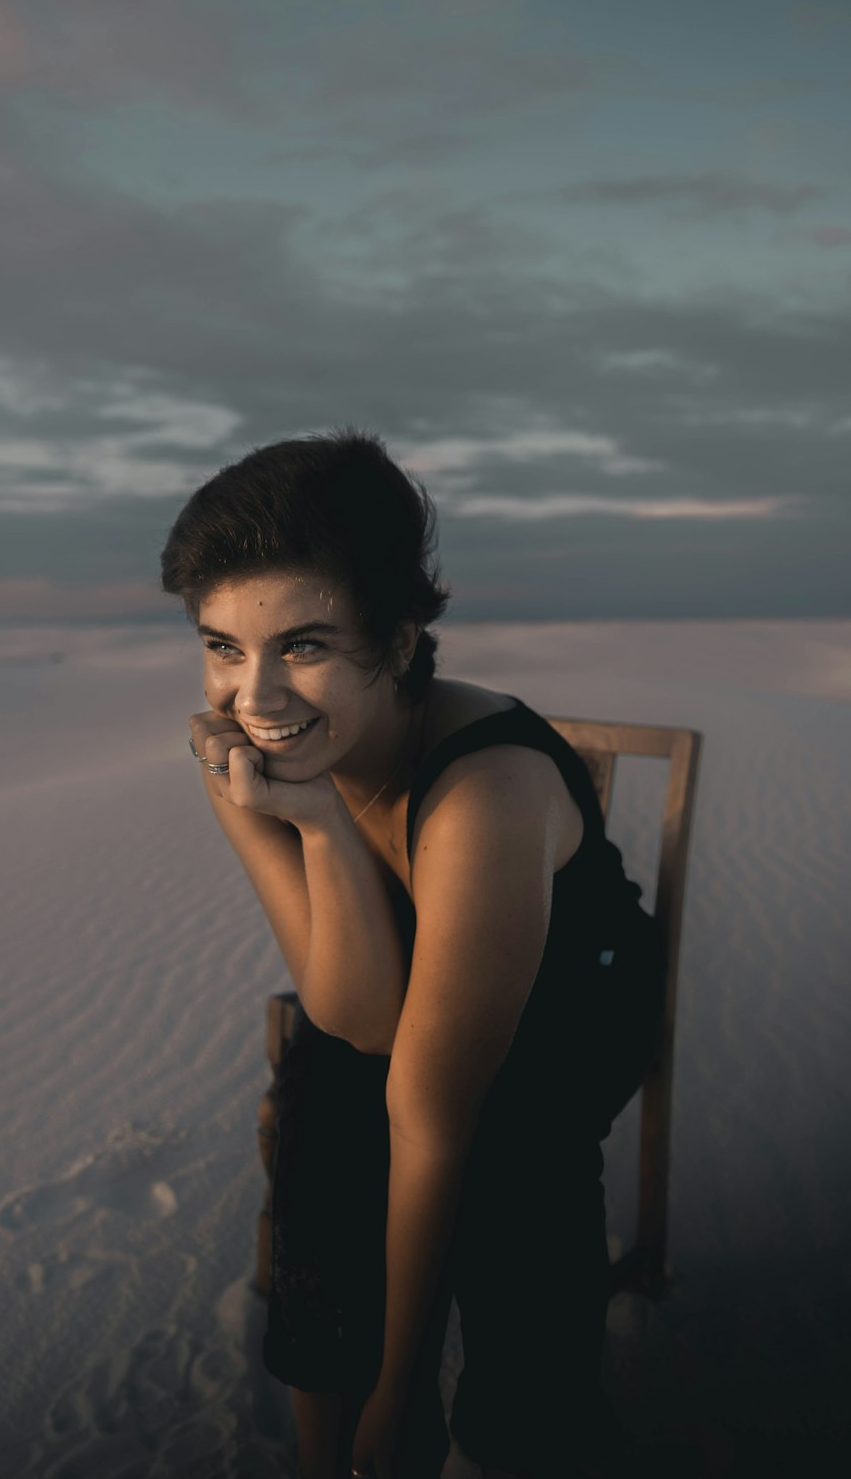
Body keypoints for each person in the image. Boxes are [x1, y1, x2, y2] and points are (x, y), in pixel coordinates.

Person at [160, 427, 666, 1479]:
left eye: (302, 645)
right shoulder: (251, 757)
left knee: (511, 1159)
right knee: (330, 1082)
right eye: (222, 646)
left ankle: (522, 1424)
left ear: (395, 641)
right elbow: (359, 1017)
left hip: (566, 1012)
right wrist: (318, 827)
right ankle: (322, 1445)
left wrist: (400, 1400)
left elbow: (434, 1111)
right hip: (396, 998)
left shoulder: (487, 793)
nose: (254, 698)